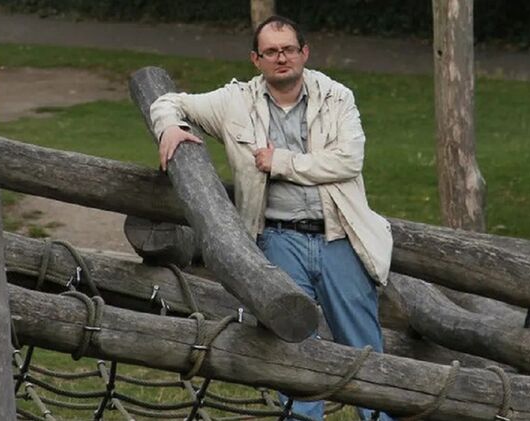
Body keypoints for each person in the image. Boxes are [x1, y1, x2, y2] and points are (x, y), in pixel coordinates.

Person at [150, 15, 394, 421]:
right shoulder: (235, 102)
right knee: (293, 347)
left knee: (363, 348)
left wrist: (280, 162)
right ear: (256, 59)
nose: (282, 58)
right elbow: (167, 101)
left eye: (288, 50)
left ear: (304, 53)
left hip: (339, 238)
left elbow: (350, 159)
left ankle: (378, 418)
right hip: (278, 240)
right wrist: (170, 128)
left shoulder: (336, 97)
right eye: (271, 52)